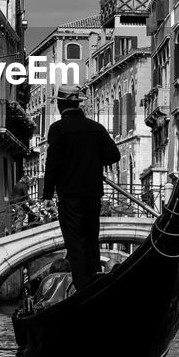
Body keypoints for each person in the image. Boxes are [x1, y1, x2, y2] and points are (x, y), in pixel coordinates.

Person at [41, 83, 120, 289]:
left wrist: (47, 194)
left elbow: (53, 163)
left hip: (70, 195)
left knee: (75, 242)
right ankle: (95, 282)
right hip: (93, 194)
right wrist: (92, 160)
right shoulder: (96, 128)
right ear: (78, 104)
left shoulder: (57, 129)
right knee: (91, 239)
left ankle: (83, 287)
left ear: (60, 104)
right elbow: (114, 155)